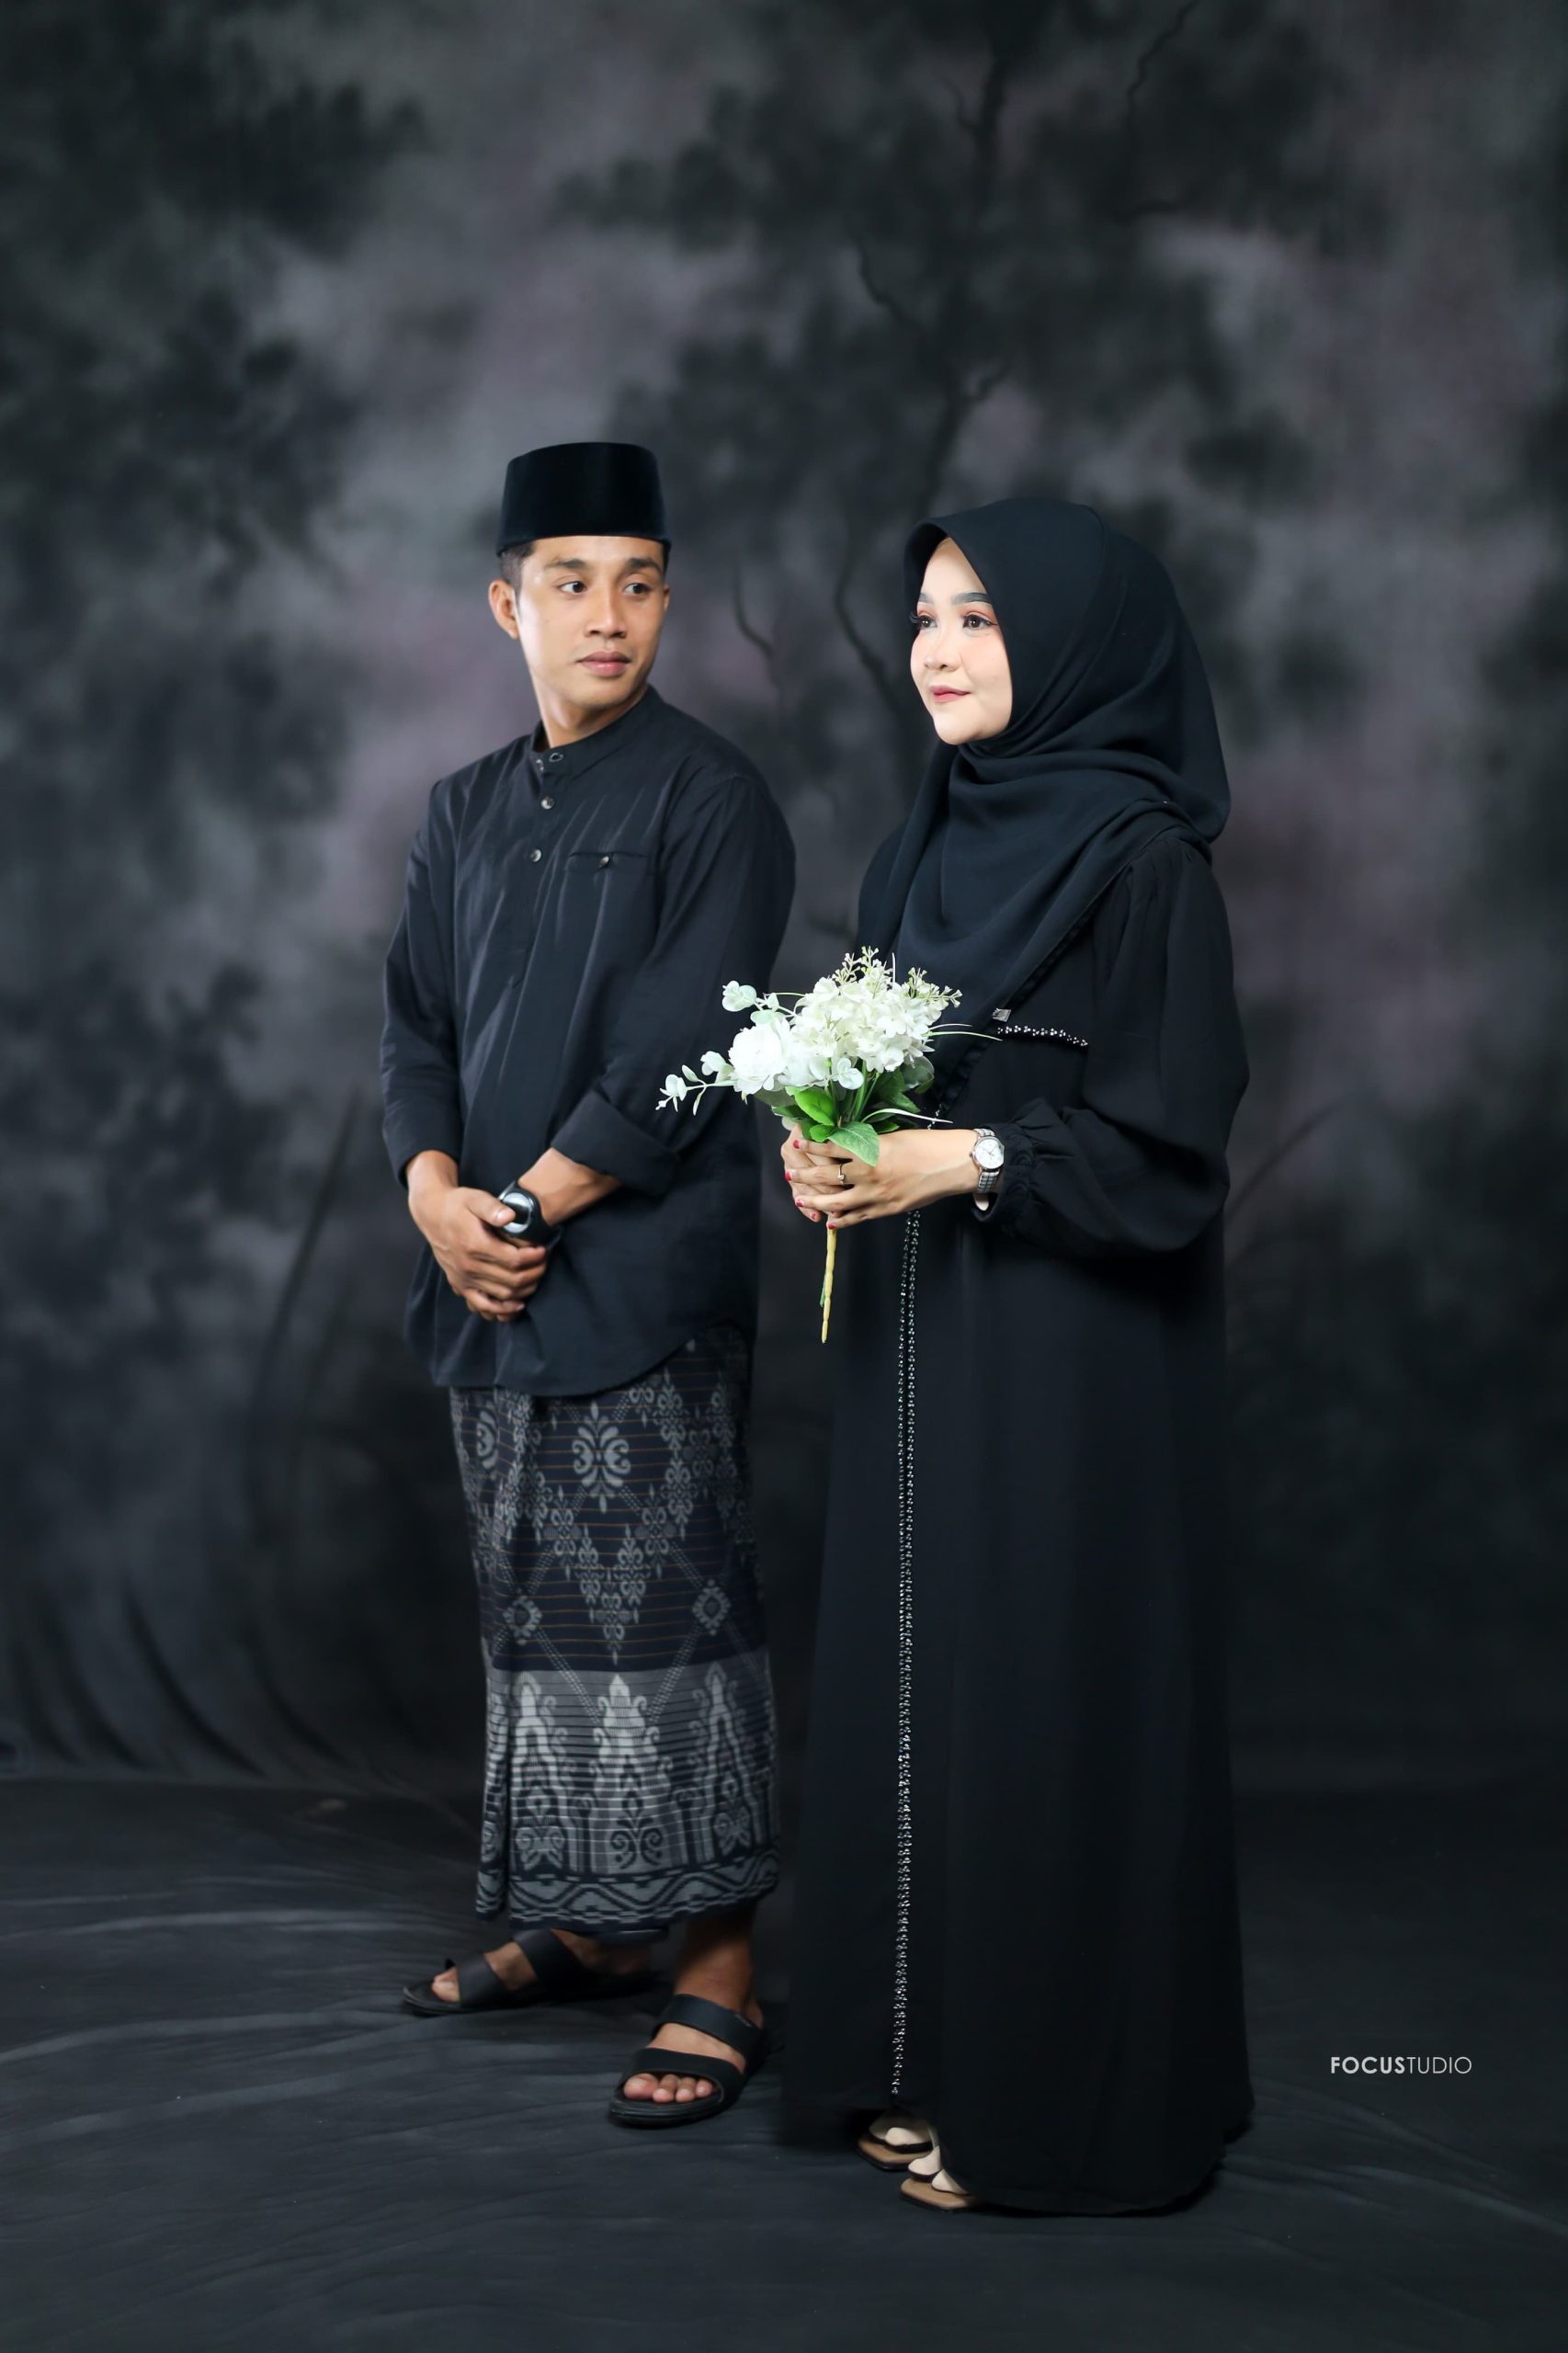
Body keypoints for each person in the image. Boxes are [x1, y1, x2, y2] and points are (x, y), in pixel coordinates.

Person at [779, 495, 1255, 2213]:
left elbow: (1167, 1159)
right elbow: (884, 1075)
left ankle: (1050, 2113)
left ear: (1072, 648)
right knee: (925, 1687)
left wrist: (960, 1162)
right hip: (920, 1349)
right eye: (924, 617)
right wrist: (834, 1146)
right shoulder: (921, 847)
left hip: (1074, 1370)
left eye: (979, 619)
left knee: (1046, 1693)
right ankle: (924, 2061)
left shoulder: (1143, 865)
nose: (937, 650)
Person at [380, 439, 794, 2127]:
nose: (606, 614)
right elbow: (414, 1027)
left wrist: (517, 1208)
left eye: (637, 583)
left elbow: (684, 1051)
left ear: (666, 604)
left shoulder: (713, 799)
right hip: (485, 1274)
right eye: (570, 582)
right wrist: (432, 1198)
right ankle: (598, 1928)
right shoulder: (462, 809)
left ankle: (719, 1969)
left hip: (641, 1278)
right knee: (537, 1617)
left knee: (672, 1621)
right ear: (508, 606)